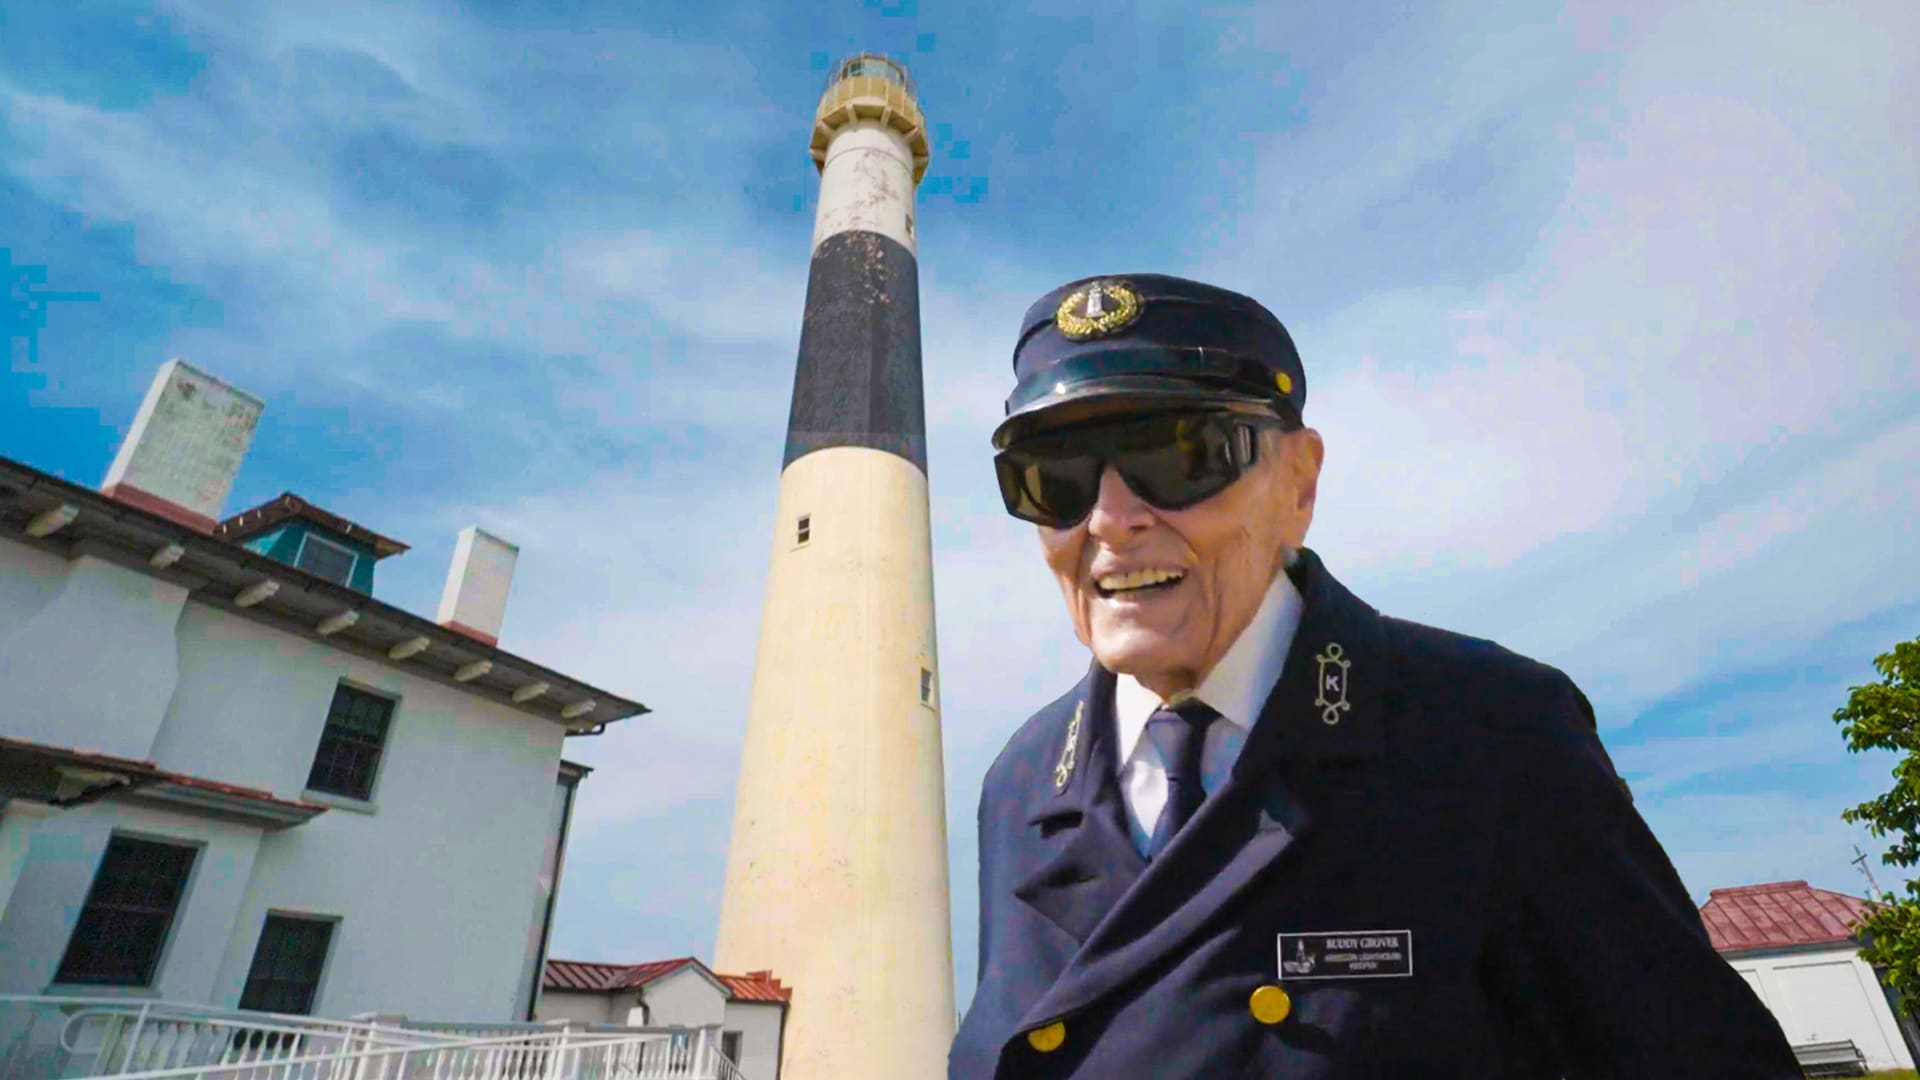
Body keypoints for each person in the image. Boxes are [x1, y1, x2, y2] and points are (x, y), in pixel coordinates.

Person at [948, 274, 1801, 1078]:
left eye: (1179, 456)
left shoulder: (1487, 730)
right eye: (1053, 478)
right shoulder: (1020, 782)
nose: (1110, 519)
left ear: (1299, 482)